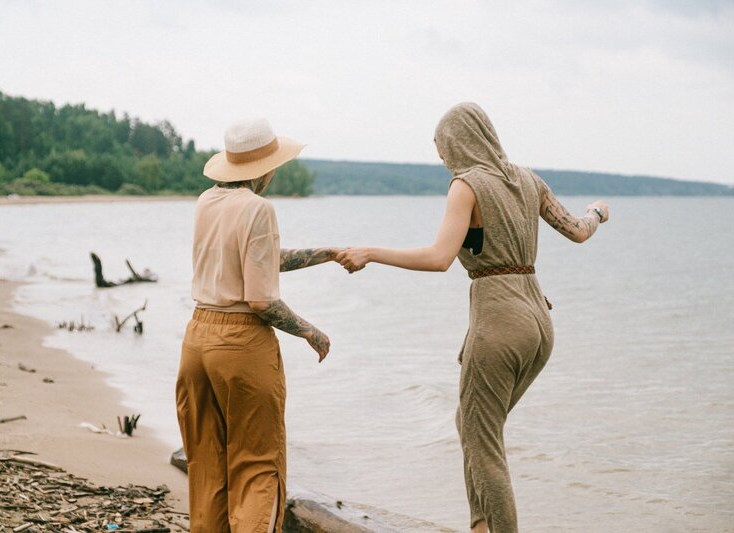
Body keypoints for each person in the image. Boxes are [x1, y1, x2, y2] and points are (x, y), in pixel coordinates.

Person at [337, 102, 609, 533]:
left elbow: (439, 257)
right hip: (539, 321)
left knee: (483, 443)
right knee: (472, 422)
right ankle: (479, 525)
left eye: (442, 147)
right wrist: (597, 211)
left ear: (459, 142)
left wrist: (371, 253)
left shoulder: (466, 186)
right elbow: (577, 230)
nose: (442, 158)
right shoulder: (527, 179)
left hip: (499, 320)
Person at [176, 118, 339, 533]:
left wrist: (324, 254)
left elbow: (255, 257)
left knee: (207, 463)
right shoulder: (259, 208)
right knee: (257, 466)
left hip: (197, 338)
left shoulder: (206, 201)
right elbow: (262, 299)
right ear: (266, 168)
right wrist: (309, 331)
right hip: (240, 343)